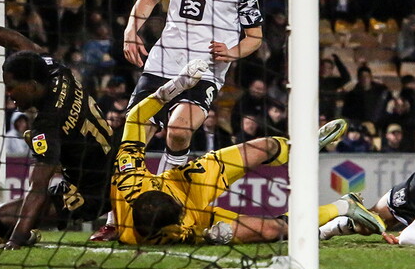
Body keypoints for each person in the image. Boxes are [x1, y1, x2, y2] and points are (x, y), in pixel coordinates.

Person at [110, 59, 384, 245]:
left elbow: (135, 117)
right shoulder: (150, 235)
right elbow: (196, 234)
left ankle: (301, 149)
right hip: (199, 221)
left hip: (183, 182)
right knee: (273, 230)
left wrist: (179, 84)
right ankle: (344, 206)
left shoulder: (128, 178)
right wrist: (213, 236)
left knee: (263, 147)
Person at [0, 0, 116, 249]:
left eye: (13, 88)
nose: (10, 94)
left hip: (90, 194)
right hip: (116, 168)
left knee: (0, 220)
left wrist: (15, 241)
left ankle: (26, 236)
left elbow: (38, 188)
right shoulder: (57, 71)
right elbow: (18, 42)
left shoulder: (47, 124)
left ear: (33, 86)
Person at [122, 0, 263, 176]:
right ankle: (115, 213)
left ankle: (168, 187)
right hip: (162, 64)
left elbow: (255, 37)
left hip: (204, 71)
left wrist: (232, 52)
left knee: (178, 131)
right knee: (131, 140)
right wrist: (131, 30)